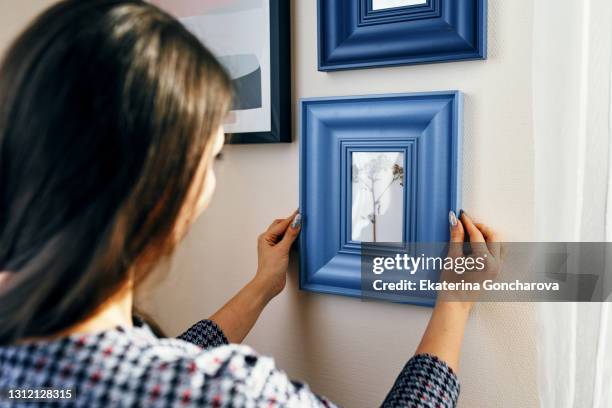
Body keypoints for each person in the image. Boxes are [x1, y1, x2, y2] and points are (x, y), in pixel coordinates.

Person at [0, 1, 500, 407]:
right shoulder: (233, 394)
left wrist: (262, 287)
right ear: (165, 190)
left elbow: (142, 369)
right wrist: (453, 306)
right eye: (213, 157)